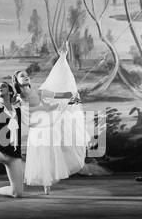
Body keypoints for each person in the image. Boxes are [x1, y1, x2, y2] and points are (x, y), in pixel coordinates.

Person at [13, 41, 90, 194]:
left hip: (49, 124)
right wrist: (47, 107)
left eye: (27, 75)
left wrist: (72, 95)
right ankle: (45, 183)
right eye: (22, 76)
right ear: (16, 81)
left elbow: (59, 95)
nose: (26, 77)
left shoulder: (39, 92)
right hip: (38, 128)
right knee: (42, 155)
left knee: (54, 152)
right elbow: (27, 111)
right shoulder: (18, 98)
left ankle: (50, 180)